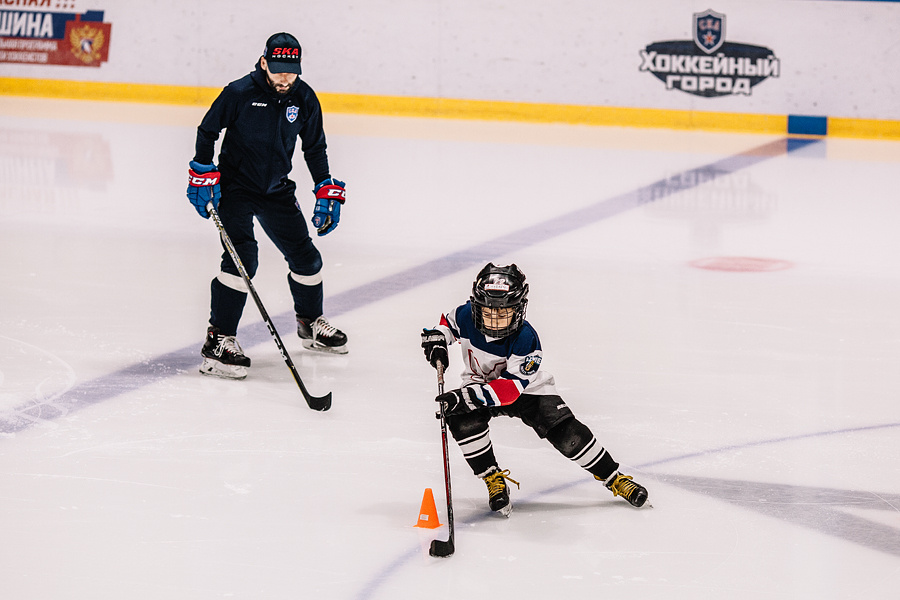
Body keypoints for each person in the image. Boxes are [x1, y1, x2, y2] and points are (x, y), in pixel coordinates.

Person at [421, 263, 649, 516]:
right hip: (481, 383)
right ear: (476, 307)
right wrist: (437, 340)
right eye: (488, 312)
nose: (495, 319)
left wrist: (465, 397)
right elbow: (446, 324)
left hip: (527, 390)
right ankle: (492, 477)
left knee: (567, 433)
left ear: (518, 309)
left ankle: (613, 477)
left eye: (504, 312)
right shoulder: (465, 315)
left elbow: (509, 392)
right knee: (461, 420)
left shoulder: (527, 339)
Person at [186, 32, 348, 380]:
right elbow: (208, 130)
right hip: (235, 188)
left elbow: (314, 147)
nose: (284, 77)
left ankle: (309, 324)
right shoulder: (239, 92)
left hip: (276, 189)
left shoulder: (304, 97)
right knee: (242, 257)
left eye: (291, 70)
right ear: (263, 63)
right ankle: (218, 341)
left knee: (306, 259)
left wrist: (324, 185)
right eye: (277, 70)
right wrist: (202, 169)